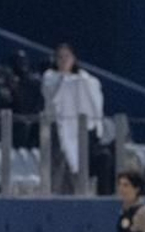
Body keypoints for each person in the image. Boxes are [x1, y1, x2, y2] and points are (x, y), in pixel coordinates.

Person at [41, 42, 103, 194]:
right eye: (60, 57)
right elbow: (51, 94)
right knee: (59, 165)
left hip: (78, 130)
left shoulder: (84, 79)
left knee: (77, 166)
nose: (63, 61)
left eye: (66, 57)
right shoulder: (50, 76)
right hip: (57, 127)